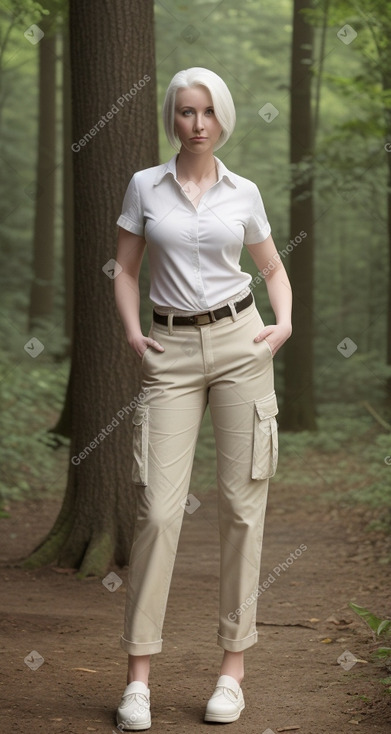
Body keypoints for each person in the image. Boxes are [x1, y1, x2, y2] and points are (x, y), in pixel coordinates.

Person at [114, 67, 292, 731]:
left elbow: (271, 268)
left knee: (242, 508)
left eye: (206, 112)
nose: (195, 124)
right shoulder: (143, 187)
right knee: (158, 512)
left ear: (223, 118)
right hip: (169, 354)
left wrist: (283, 322)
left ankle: (231, 670)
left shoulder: (242, 191)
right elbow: (125, 270)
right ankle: (137, 678)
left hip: (242, 344)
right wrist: (133, 334)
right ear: (171, 117)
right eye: (185, 112)